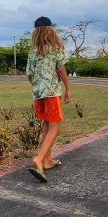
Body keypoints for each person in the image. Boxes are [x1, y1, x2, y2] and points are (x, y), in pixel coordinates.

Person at [25, 16, 71, 183]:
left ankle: (47, 160)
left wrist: (36, 87)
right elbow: (61, 69)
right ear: (51, 30)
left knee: (46, 124)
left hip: (38, 92)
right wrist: (68, 88)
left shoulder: (33, 51)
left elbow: (29, 74)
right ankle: (39, 158)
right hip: (51, 91)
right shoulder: (55, 47)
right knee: (54, 127)